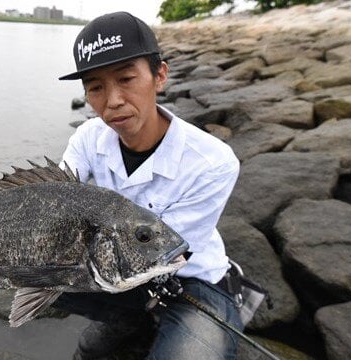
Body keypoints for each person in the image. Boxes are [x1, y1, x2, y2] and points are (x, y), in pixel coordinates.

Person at [53, 11, 244, 360]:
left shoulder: (214, 161)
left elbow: (162, 250)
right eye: (96, 87)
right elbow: (55, 202)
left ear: (160, 75)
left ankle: (153, 316)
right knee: (38, 282)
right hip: (119, 274)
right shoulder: (87, 138)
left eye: (126, 79)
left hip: (192, 284)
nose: (112, 101)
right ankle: (134, 320)